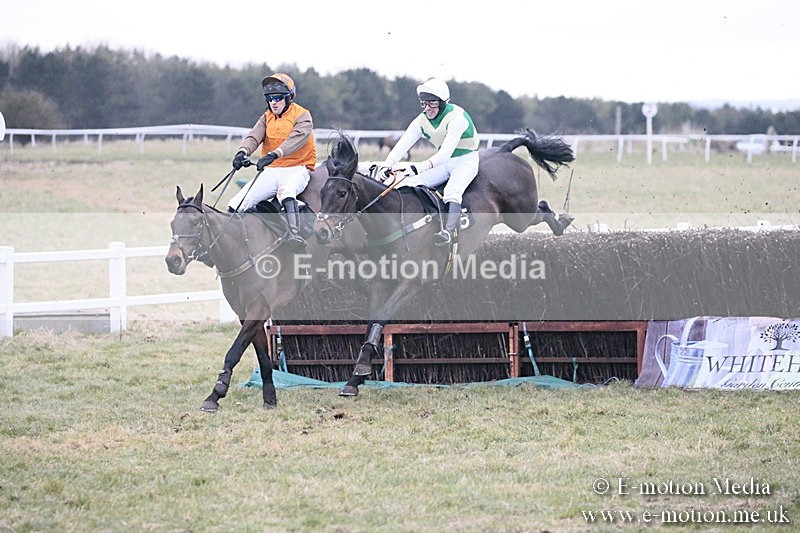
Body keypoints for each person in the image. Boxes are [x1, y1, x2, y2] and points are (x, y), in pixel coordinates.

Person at [374, 78, 479, 246]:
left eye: (432, 104)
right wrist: (388, 164)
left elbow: (445, 154)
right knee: (410, 182)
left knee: (452, 191)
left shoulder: (457, 118)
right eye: (423, 104)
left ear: (443, 103)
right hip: (445, 163)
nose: (427, 108)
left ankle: (448, 232)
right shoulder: (421, 120)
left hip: (466, 160)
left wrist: (418, 167)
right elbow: (403, 143)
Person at [228, 73, 316, 252]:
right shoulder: (266, 117)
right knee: (237, 202)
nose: (273, 103)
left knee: (286, 192)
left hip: (298, 168)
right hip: (272, 169)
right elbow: (254, 136)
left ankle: (294, 235)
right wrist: (242, 152)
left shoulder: (303, 115)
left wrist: (275, 153)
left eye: (278, 98)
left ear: (288, 97)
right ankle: (227, 244)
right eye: (269, 99)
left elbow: (296, 139)